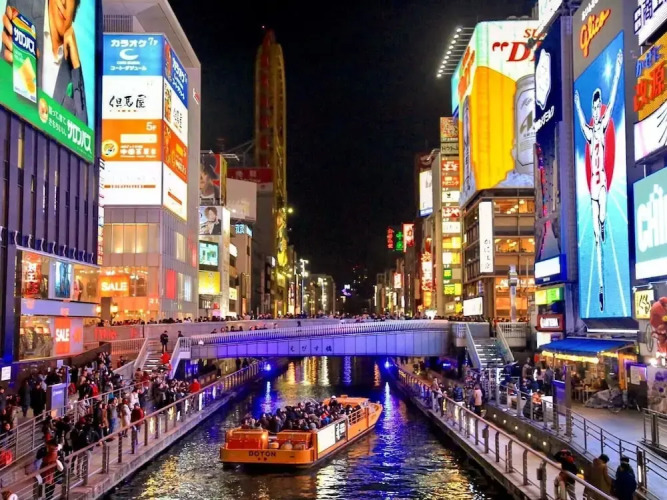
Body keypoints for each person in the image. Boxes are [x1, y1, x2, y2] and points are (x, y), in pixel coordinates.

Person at [574, 49, 623, 312]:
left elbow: (613, 99)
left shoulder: (602, 126)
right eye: (594, 107)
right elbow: (581, 120)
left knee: (602, 218)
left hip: (601, 182)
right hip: (592, 189)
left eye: (597, 106)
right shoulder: (589, 130)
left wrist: (617, 70)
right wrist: (577, 104)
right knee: (595, 240)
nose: (596, 109)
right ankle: (602, 289)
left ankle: (603, 225)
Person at [2, 0, 89, 124]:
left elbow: (83, 129)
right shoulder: (21, 8)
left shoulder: (73, 73)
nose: (63, 2)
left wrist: (76, 65)